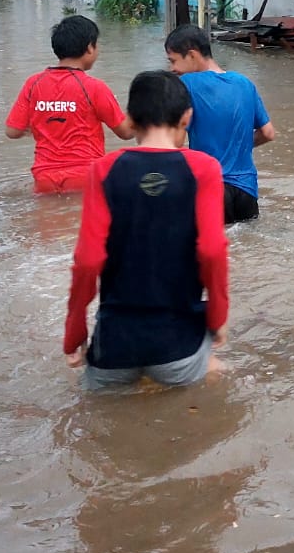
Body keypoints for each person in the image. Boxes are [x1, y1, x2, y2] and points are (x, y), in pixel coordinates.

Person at [64, 69, 229, 390]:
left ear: (130, 120)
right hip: (178, 347)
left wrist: (75, 332)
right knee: (219, 377)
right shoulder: (204, 169)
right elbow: (212, 250)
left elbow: (87, 260)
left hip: (113, 348)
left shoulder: (103, 169)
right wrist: (218, 319)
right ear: (187, 117)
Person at [5, 14, 135, 193]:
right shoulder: (94, 87)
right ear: (90, 47)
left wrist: (39, 124)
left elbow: (12, 131)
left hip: (44, 178)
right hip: (85, 176)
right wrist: (143, 108)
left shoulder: (33, 83)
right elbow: (126, 132)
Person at [165, 25, 275, 224]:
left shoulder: (186, 83)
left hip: (211, 188)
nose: (173, 69)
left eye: (173, 61)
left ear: (191, 55)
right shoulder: (244, 83)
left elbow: (171, 139)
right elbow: (267, 133)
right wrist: (236, 145)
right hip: (247, 191)